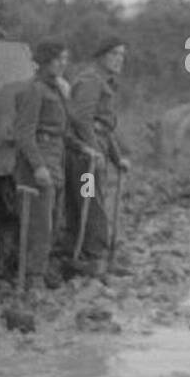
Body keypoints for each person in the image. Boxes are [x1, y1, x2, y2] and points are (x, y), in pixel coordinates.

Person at [64, 39, 130, 278]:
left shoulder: (104, 82)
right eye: (114, 54)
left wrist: (116, 158)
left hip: (94, 151)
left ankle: (97, 256)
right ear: (101, 56)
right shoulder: (91, 81)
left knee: (93, 201)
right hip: (84, 157)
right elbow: (81, 119)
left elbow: (104, 128)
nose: (119, 59)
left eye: (122, 55)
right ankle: (93, 258)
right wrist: (93, 150)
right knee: (89, 202)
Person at [14, 39, 70, 293]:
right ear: (45, 61)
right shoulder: (34, 90)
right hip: (39, 162)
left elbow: (63, 128)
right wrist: (38, 166)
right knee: (40, 224)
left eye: (65, 59)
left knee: (54, 221)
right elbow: (24, 133)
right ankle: (33, 278)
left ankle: (42, 270)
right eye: (58, 59)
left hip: (55, 159)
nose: (62, 64)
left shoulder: (56, 90)